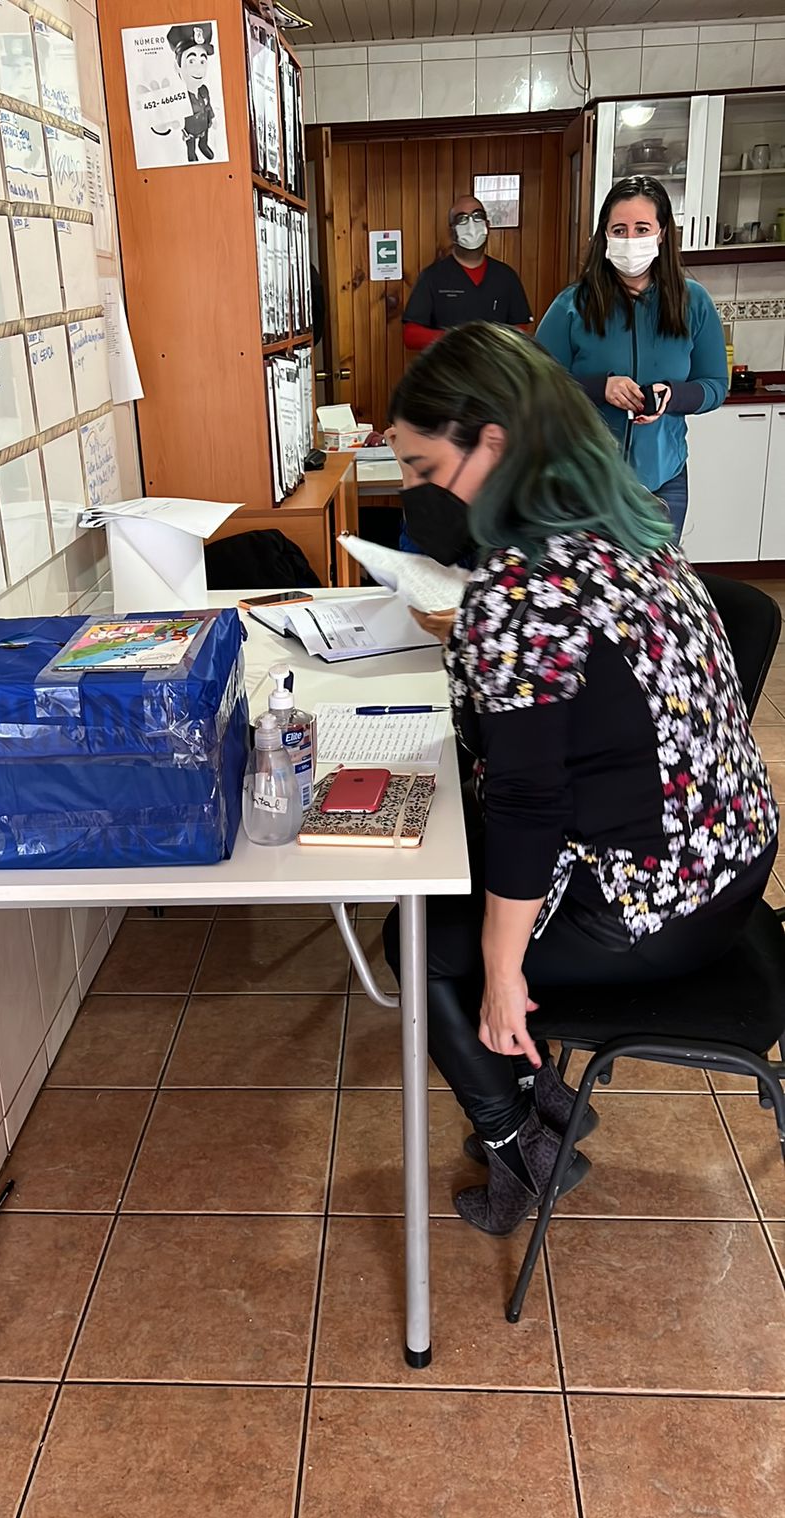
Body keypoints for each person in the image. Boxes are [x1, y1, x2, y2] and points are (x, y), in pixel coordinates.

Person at [382, 322, 777, 1238]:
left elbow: (530, 803)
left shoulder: (521, 588)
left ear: (493, 444)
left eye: (423, 469)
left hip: (654, 905)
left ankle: (522, 1145)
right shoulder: (628, 526)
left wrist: (502, 972)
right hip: (732, 866)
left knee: (420, 942)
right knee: (463, 890)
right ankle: (547, 1099)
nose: (415, 493)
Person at [536, 175, 728, 545]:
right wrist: (599, 388)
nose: (630, 239)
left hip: (663, 482)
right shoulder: (572, 305)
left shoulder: (694, 302)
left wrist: (673, 396)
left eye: (641, 229)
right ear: (604, 236)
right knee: (590, 579)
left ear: (661, 233)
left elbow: (715, 386)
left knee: (654, 579)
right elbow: (536, 383)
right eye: (619, 230)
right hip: (583, 484)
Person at [402, 195, 533, 352]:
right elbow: (411, 335)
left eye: (478, 216)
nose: (471, 225)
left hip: (495, 366)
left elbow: (521, 330)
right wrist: (459, 340)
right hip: (449, 366)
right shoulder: (432, 277)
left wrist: (495, 343)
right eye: (462, 219)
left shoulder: (506, 276)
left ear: (487, 225)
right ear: (451, 232)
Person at [168, 23, 215, 163]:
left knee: (204, 137)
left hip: (204, 124)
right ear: (178, 66)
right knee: (191, 143)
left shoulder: (204, 90)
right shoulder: (180, 96)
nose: (198, 69)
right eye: (192, 61)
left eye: (202, 61)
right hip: (190, 128)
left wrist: (210, 117)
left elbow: (208, 105)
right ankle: (192, 154)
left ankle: (203, 145)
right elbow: (175, 118)